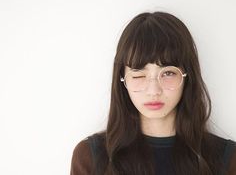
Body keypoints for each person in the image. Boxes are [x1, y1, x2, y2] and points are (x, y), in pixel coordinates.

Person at [70, 11, 236, 175]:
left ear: (187, 76)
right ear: (123, 80)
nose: (153, 91)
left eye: (168, 73)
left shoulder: (227, 160)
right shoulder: (90, 158)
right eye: (139, 75)